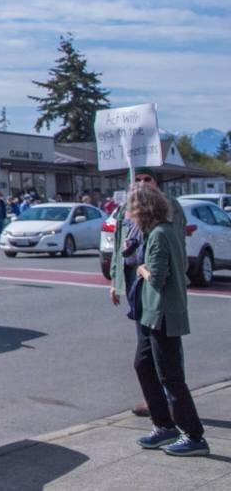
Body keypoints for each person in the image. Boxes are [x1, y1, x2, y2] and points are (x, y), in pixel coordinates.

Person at [115, 184, 208, 456]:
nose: (128, 214)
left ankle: (193, 435)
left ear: (143, 209)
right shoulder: (161, 232)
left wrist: (139, 266)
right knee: (143, 365)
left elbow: (156, 276)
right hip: (150, 314)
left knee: (170, 376)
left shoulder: (159, 234)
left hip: (162, 314)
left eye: (131, 208)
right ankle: (163, 425)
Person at [109, 167, 187, 418]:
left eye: (147, 179)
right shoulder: (124, 210)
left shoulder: (166, 214)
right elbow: (119, 247)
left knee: (166, 357)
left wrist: (145, 269)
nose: (142, 183)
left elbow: (167, 257)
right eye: (138, 179)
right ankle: (157, 406)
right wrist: (115, 280)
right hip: (137, 288)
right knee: (145, 356)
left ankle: (175, 408)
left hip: (158, 290)